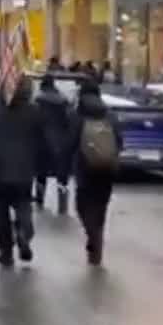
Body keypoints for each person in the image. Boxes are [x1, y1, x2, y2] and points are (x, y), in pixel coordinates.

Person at [0, 75, 43, 267]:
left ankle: (6, 251)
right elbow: (41, 136)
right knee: (23, 203)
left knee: (0, 210)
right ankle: (25, 231)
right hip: (24, 168)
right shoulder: (33, 109)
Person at [72, 81, 123, 266]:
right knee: (101, 207)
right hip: (106, 169)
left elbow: (71, 141)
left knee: (82, 206)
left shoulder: (79, 115)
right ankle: (97, 245)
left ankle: (91, 234)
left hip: (84, 169)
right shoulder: (110, 115)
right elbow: (119, 140)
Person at [34, 75, 78, 214]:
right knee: (62, 176)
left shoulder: (38, 101)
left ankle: (40, 200)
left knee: (41, 173)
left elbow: (34, 122)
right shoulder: (64, 101)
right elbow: (70, 121)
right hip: (61, 143)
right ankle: (62, 206)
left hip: (42, 142)